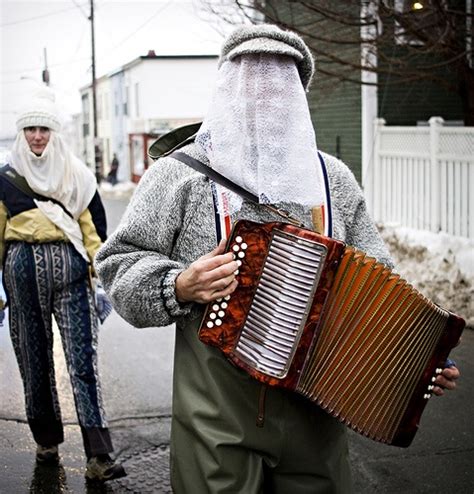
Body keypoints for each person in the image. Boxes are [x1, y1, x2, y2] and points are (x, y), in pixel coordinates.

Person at [95, 24, 460, 493]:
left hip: (317, 418)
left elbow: (380, 286)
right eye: (252, 83)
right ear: (228, 90)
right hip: (216, 415)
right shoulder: (178, 176)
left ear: (298, 98)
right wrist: (180, 284)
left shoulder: (334, 181)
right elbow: (118, 264)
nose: (265, 98)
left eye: (279, 85)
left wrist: (419, 361)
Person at [0, 87, 125, 482]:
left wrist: (99, 275)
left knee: (82, 361)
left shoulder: (78, 175)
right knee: (33, 361)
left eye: (44, 130)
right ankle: (47, 440)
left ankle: (99, 455)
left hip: (72, 274)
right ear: (22, 134)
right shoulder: (5, 179)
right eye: (30, 130)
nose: (37, 137)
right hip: (21, 275)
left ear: (55, 133)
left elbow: (93, 230)